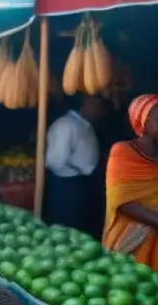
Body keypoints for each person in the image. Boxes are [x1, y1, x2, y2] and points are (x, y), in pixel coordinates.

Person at [104, 94, 158, 286]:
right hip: (133, 240)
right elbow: (122, 201)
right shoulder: (122, 152)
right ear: (143, 120)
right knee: (129, 295)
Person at [43, 95, 110, 236]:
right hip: (68, 187)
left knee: (83, 229)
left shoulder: (84, 124)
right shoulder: (65, 125)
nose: (100, 110)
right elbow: (55, 161)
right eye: (96, 105)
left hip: (84, 184)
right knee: (68, 230)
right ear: (83, 105)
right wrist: (79, 173)